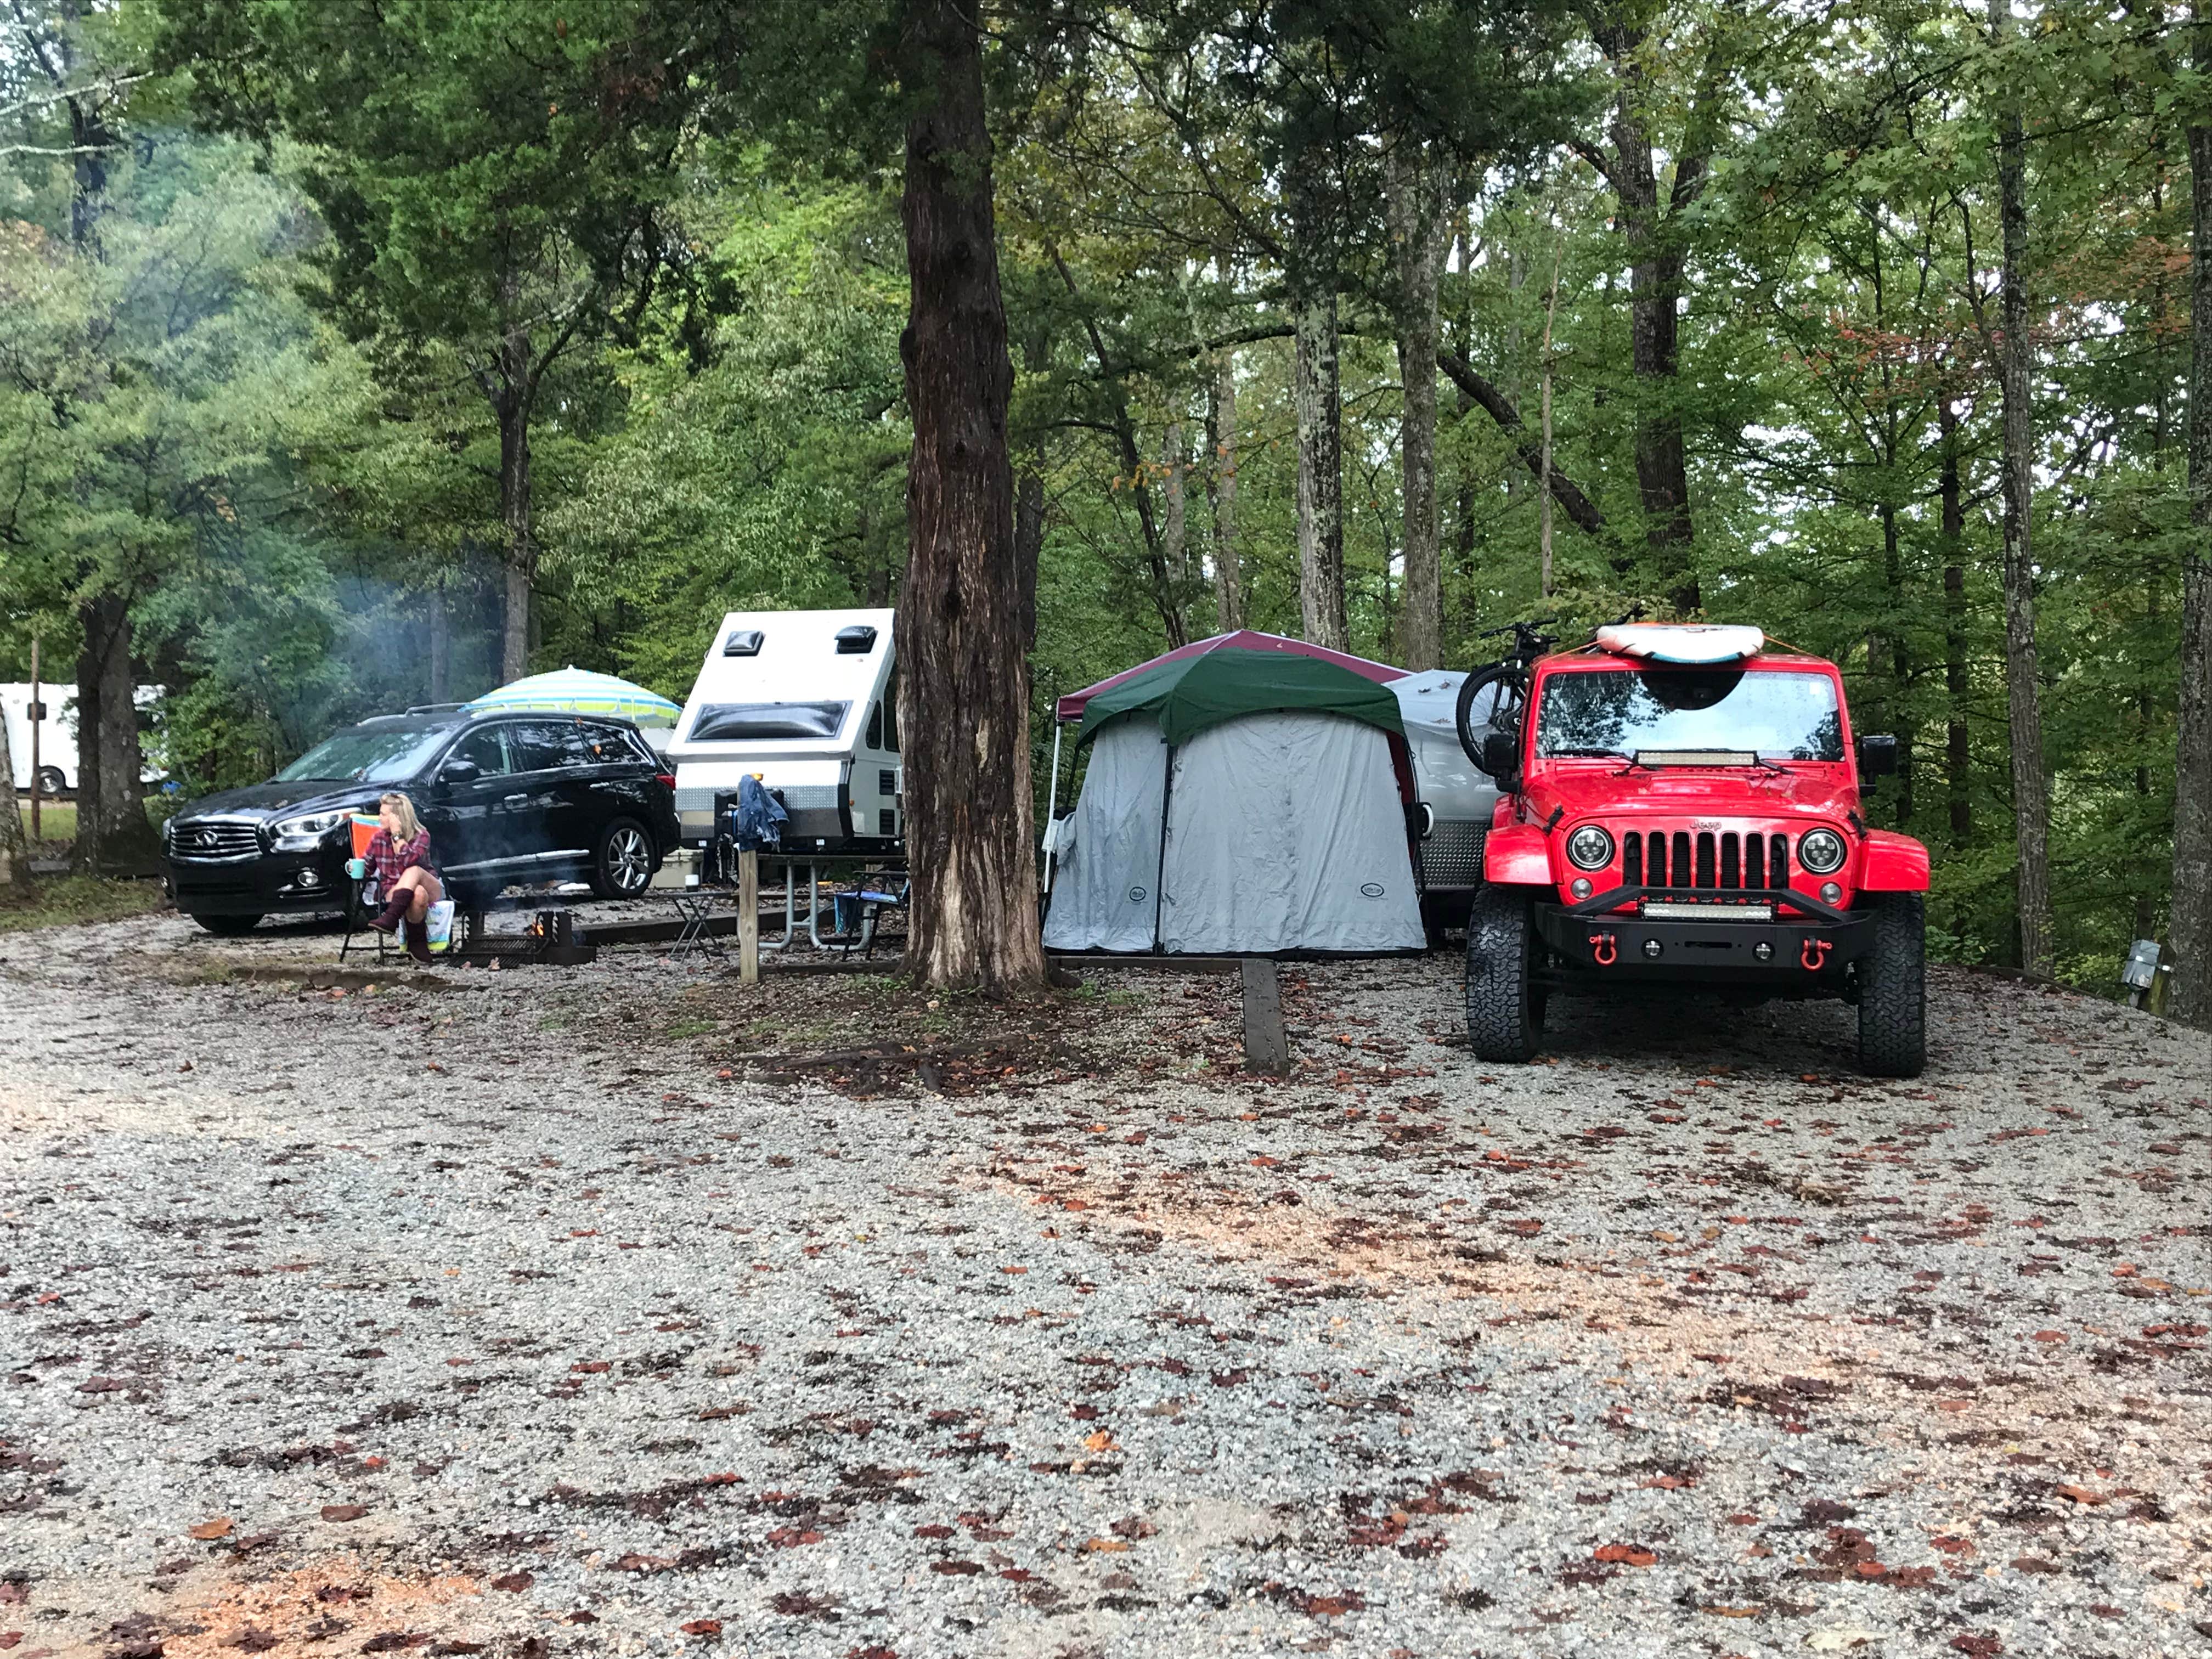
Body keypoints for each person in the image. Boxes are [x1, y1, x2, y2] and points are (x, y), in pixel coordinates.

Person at [362, 792, 442, 963]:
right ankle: (418, 943)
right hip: (394, 890)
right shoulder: (378, 839)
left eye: (383, 814)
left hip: (431, 887)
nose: (379, 818)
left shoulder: (422, 835)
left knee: (414, 871)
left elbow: (408, 862)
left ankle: (391, 918)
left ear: (397, 818)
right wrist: (355, 866)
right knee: (417, 893)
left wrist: (397, 835)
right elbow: (367, 870)